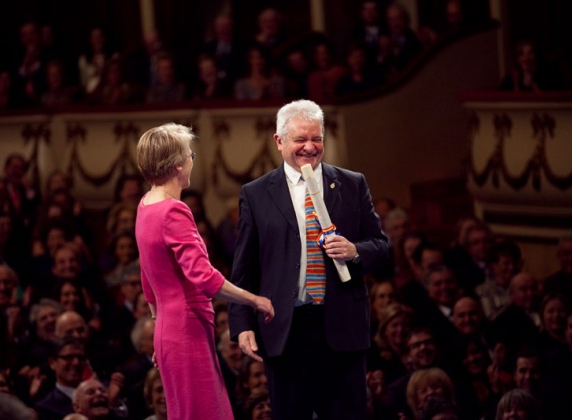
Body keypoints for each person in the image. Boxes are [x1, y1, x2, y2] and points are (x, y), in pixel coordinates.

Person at [228, 99, 389, 418]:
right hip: (285, 332)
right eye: (300, 139)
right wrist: (242, 324)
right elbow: (244, 267)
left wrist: (355, 251)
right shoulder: (256, 193)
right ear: (279, 141)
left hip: (342, 328)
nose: (310, 147)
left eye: (316, 138)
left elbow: (382, 247)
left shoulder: (352, 183)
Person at [134, 123, 274, 420]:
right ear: (176, 166)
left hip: (169, 329)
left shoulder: (145, 205)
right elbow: (204, 278)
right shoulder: (173, 210)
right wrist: (254, 299)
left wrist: (160, 329)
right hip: (187, 327)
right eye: (190, 155)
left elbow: (148, 281)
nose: (191, 161)